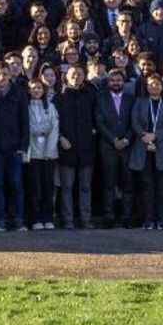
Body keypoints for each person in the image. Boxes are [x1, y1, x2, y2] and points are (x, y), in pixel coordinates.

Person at [128, 73, 163, 231]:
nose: (154, 87)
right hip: (143, 147)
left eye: (157, 84)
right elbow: (135, 122)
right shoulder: (140, 102)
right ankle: (148, 219)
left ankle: (162, 219)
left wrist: (155, 136)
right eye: (151, 84)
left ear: (162, 87)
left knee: (162, 187)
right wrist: (146, 137)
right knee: (147, 187)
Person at [0, 61, 28, 232]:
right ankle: (0, 220)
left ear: (10, 75)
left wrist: (23, 144)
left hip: (14, 147)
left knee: (16, 184)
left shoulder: (19, 92)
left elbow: (25, 120)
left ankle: (18, 220)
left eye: (5, 74)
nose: (2, 78)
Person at [54, 64, 97, 229]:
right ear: (66, 77)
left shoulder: (90, 96)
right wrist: (60, 137)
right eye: (73, 74)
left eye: (79, 74)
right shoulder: (59, 98)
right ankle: (68, 220)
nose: (76, 76)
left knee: (85, 187)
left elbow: (97, 118)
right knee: (67, 187)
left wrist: (94, 131)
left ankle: (85, 219)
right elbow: (53, 121)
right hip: (67, 149)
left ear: (84, 76)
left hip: (87, 148)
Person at [94, 67, 136, 229]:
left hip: (127, 146)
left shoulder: (130, 98)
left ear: (123, 82)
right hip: (108, 146)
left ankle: (127, 216)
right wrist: (113, 139)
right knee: (108, 183)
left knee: (128, 183)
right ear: (108, 82)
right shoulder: (101, 98)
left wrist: (126, 139)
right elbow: (99, 122)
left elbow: (135, 121)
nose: (116, 83)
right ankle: (109, 216)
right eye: (112, 80)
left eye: (119, 80)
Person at [24, 77, 58, 231]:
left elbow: (54, 127)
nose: (36, 90)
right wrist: (40, 129)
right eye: (33, 88)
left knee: (48, 188)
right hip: (33, 153)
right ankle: (36, 218)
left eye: (39, 88)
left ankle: (48, 217)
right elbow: (28, 126)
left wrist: (49, 151)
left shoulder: (50, 106)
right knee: (34, 187)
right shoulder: (25, 107)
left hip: (48, 153)